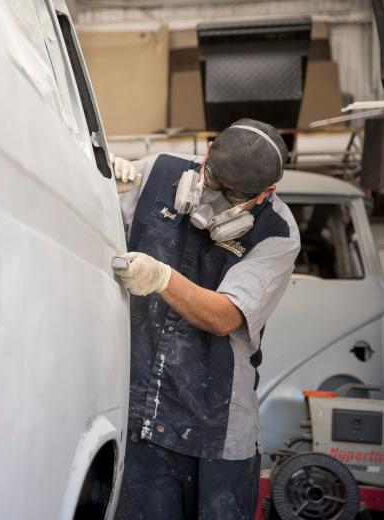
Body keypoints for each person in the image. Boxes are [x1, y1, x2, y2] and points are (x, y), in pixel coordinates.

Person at [111, 119, 300, 520]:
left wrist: (161, 278)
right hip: (139, 418)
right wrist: (101, 182)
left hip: (215, 428)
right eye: (212, 179)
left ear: (266, 193)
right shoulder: (158, 172)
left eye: (234, 194)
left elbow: (225, 316)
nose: (214, 197)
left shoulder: (277, 232)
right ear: (208, 151)